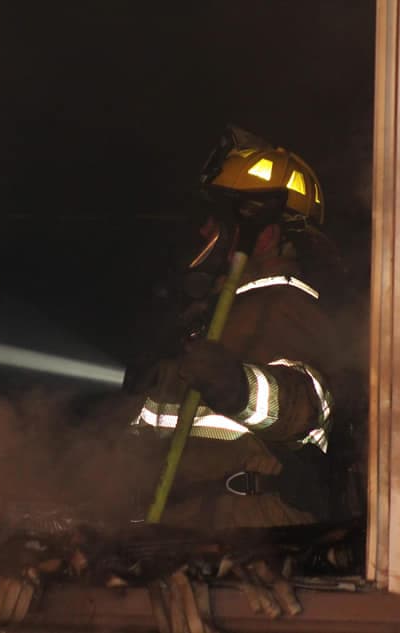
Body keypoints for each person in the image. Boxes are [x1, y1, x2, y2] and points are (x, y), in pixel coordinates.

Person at [122, 126, 346, 529]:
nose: (204, 231)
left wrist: (237, 386)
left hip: (245, 536)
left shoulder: (285, 308)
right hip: (178, 531)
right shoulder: (218, 317)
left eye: (218, 220)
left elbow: (305, 409)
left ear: (265, 236)